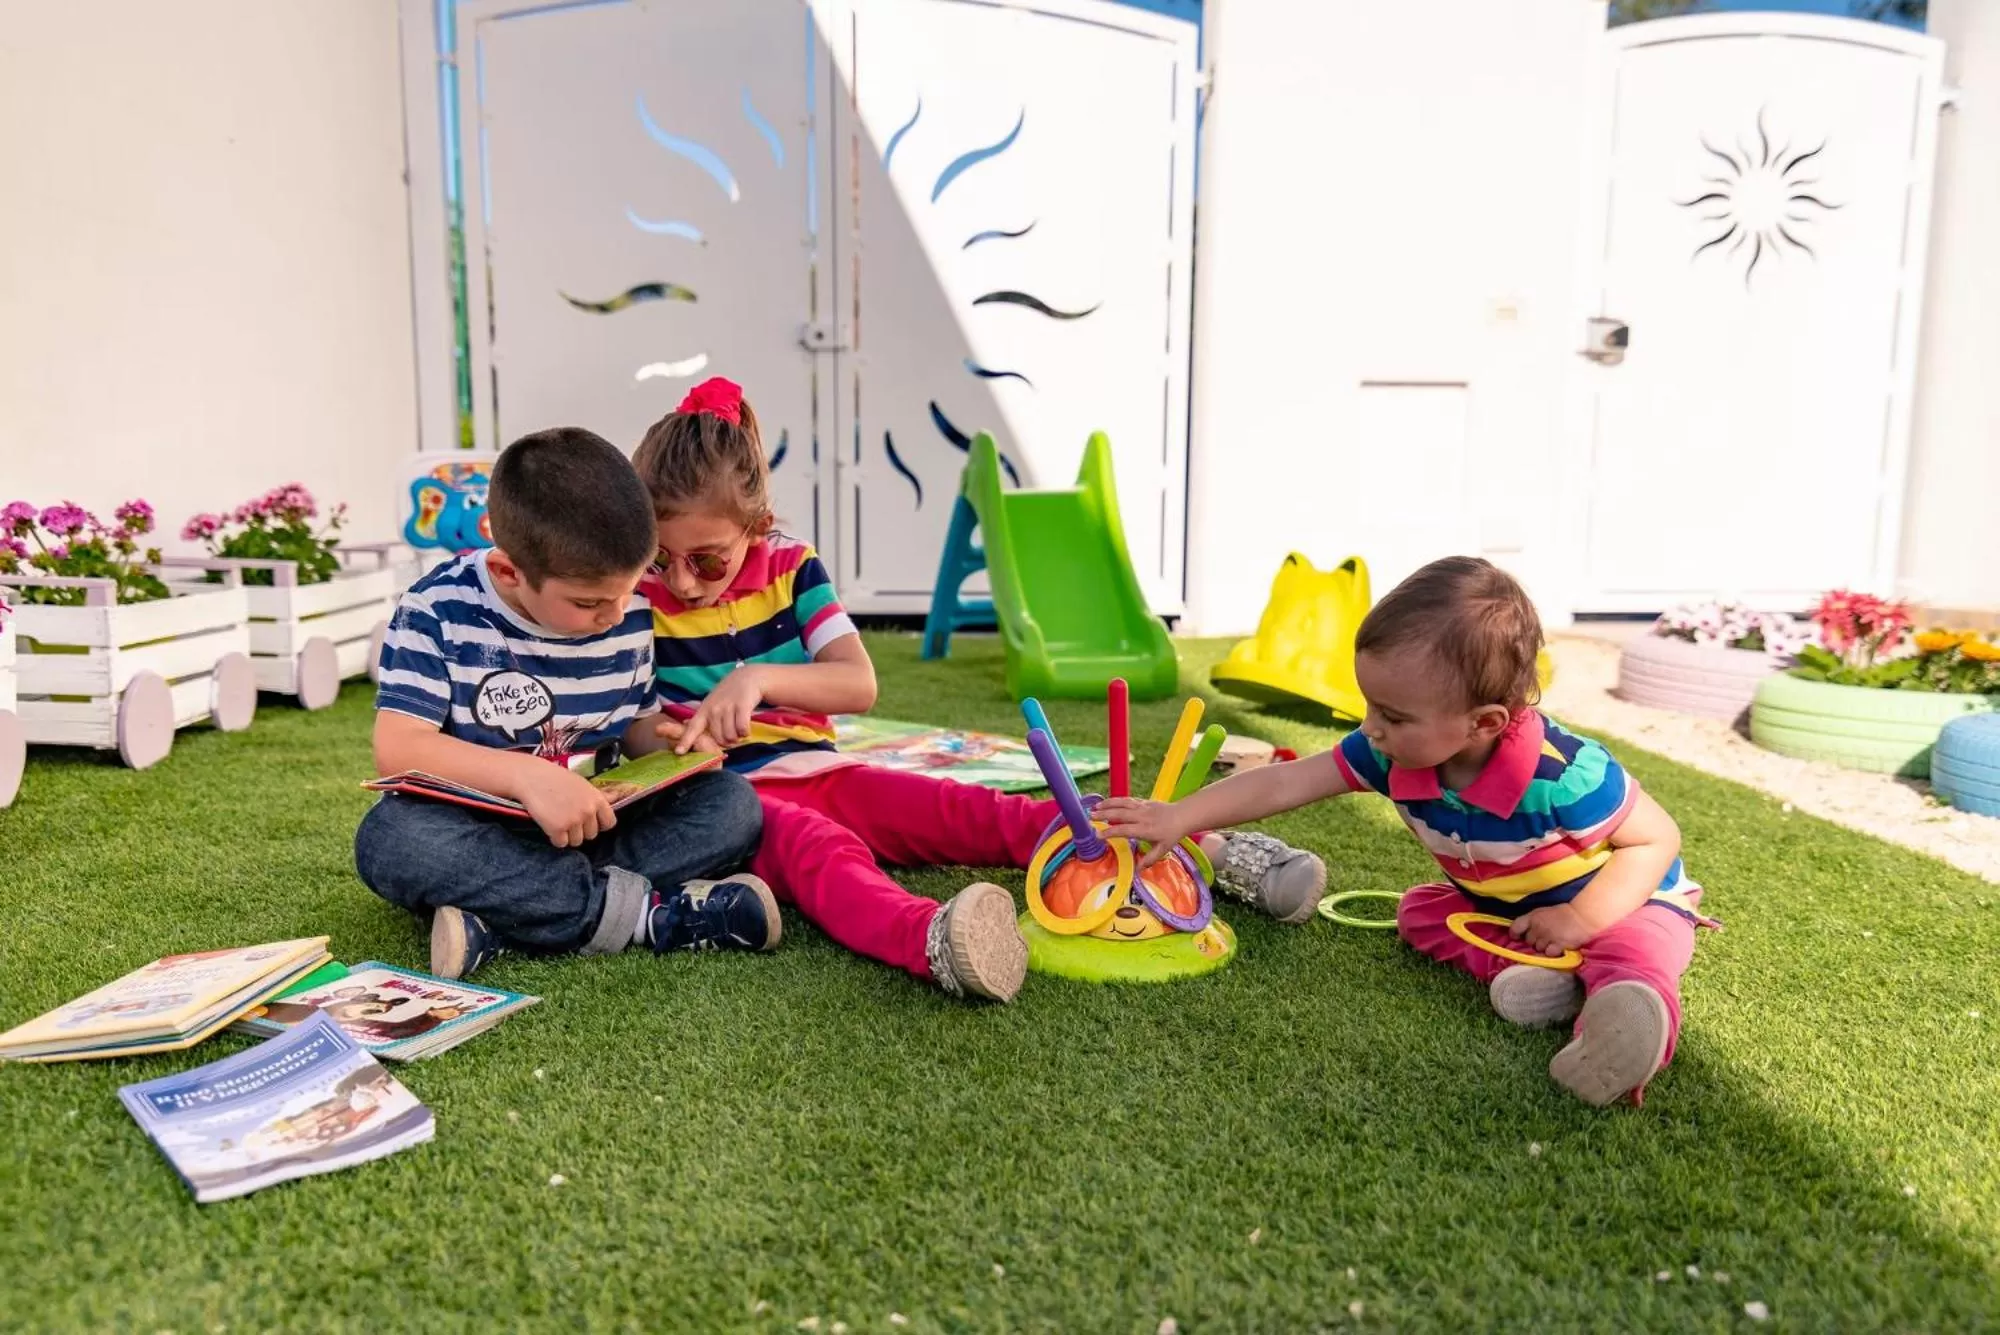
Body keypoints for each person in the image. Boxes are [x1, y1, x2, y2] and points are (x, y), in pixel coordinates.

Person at [628, 377, 1326, 1003]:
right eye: (664, 558)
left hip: (825, 768)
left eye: (707, 559)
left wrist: (759, 679)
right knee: (825, 857)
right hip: (736, 801)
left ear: (755, 527)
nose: (683, 580)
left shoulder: (792, 570)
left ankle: (1214, 848)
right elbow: (632, 728)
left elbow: (858, 683)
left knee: (982, 812)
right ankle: (934, 937)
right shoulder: (639, 599)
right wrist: (661, 734)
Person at [1099, 557, 1713, 1107]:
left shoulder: (1565, 775)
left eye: (1391, 715)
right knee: (1419, 913)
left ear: (1485, 723)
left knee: (1633, 952)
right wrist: (1181, 817)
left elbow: (1655, 841)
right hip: (1505, 911)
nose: (1370, 728)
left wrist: (1580, 920)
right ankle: (1539, 975)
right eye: (1369, 705)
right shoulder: (1392, 755)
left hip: (1627, 900)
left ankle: (1619, 1030)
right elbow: (1284, 784)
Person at [354, 426, 773, 980]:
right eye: (588, 602)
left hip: (596, 823)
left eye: (630, 590)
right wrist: (525, 778)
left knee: (731, 804)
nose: (616, 614)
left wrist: (664, 739)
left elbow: (634, 723)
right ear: (510, 571)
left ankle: (506, 918)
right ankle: (649, 917)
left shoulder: (628, 603)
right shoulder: (437, 607)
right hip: (482, 830)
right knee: (391, 839)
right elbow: (399, 748)